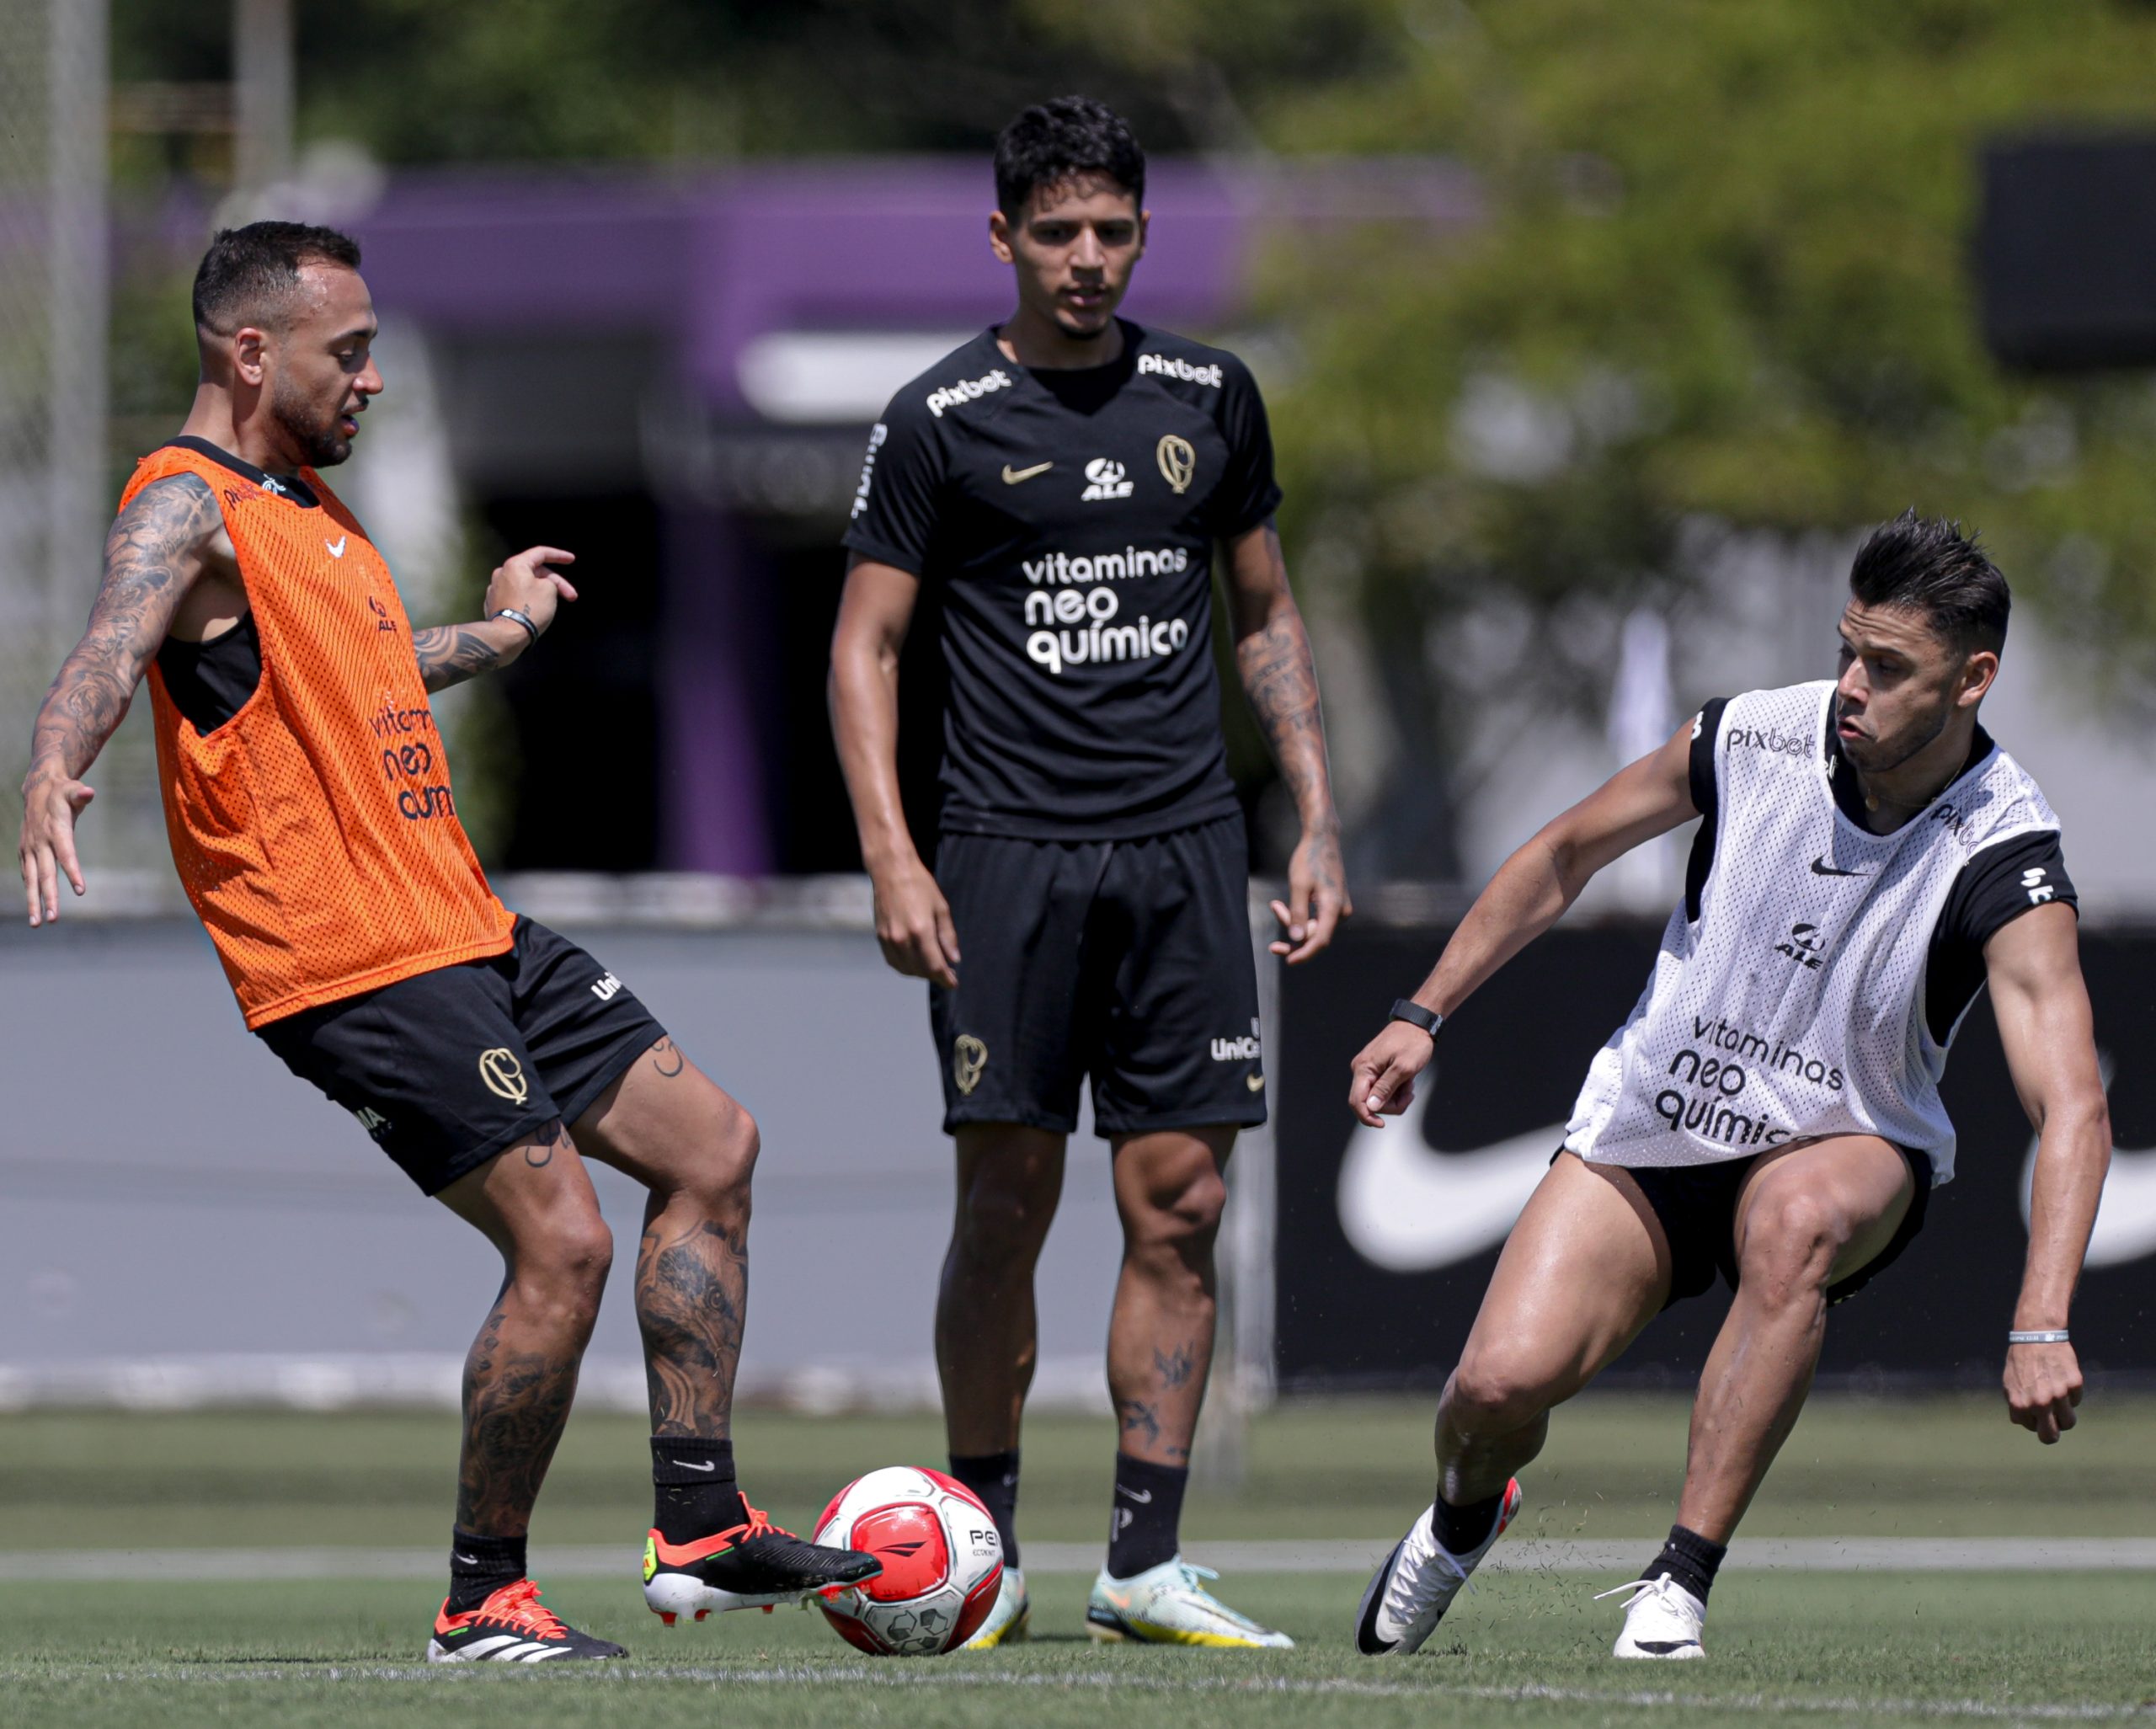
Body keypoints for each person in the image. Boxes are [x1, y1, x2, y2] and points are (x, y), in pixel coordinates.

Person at [15, 221, 875, 1662]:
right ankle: (483, 1601)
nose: (368, 379)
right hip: (349, 958)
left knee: (714, 1147)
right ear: (249, 354)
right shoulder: (186, 502)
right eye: (345, 352)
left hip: (462, 920)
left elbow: (362, 671)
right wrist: (51, 761)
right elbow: (111, 642)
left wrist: (500, 634)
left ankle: (702, 1527)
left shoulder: (310, 519)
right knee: (565, 1246)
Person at [1346, 513, 2109, 1661]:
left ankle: (1677, 1580)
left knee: (1796, 1223)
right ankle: (1463, 1516)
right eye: (1850, 649)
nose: (1851, 685)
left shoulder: (2006, 850)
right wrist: (1423, 1010)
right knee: (1495, 1387)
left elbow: (2073, 1107)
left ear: (1973, 678)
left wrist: (2042, 1317)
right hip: (1656, 1123)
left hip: (1848, 1141)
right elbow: (1565, 852)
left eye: (1889, 667)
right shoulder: (1753, 735)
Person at [830, 97, 1348, 1650]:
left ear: (1142, 232)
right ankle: (978, 1552)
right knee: (1008, 1200)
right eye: (1056, 232)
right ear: (1002, 237)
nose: (1087, 259)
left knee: (1178, 1200)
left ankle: (1144, 1562)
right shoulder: (935, 419)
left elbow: (1265, 614)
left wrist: (1312, 814)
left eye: (1113, 230)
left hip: (1187, 850)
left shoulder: (1211, 393)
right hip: (1003, 857)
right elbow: (865, 644)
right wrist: (891, 855)